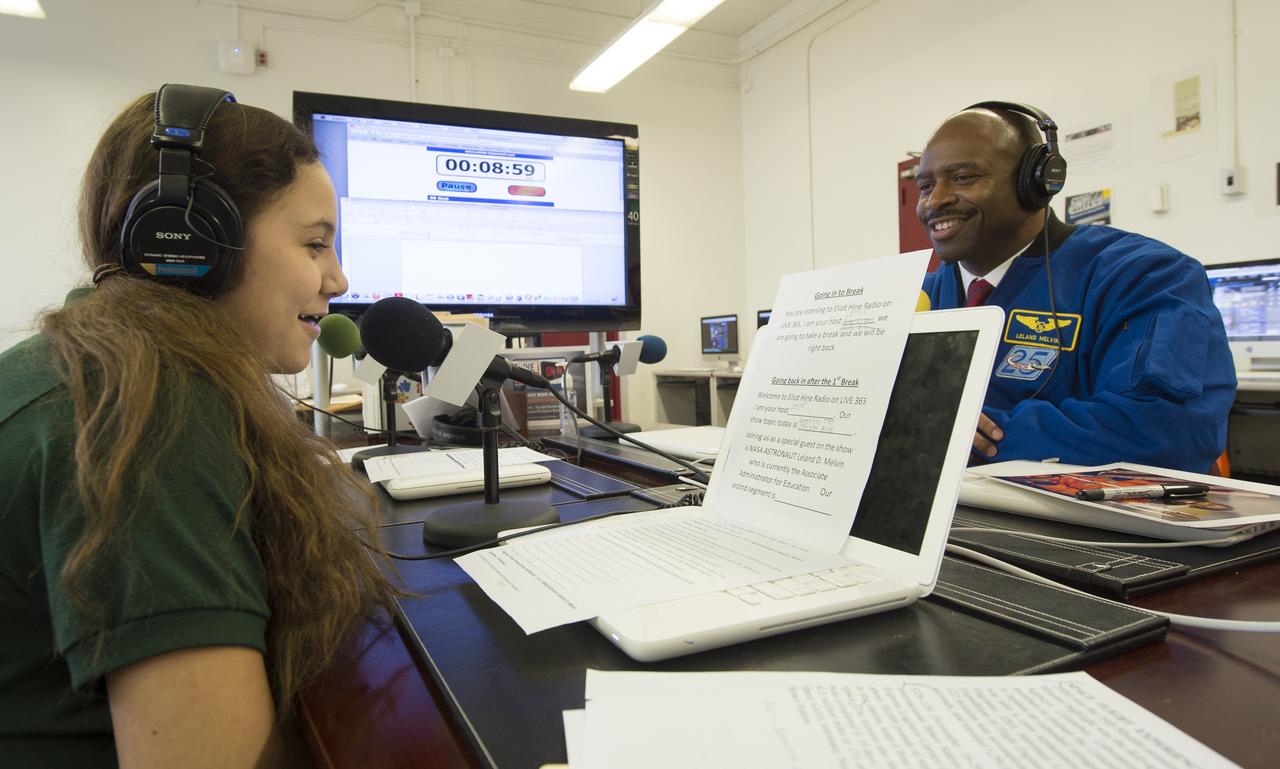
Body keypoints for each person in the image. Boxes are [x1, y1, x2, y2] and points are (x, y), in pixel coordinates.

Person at [0, 85, 399, 768]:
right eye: (314, 243)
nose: (338, 276)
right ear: (191, 240)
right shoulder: (145, 407)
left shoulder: (97, 363)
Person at [916, 102, 1236, 473]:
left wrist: (964, 437)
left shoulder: (1145, 276)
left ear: (1035, 183)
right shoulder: (914, 298)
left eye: (964, 177)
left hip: (1088, 525)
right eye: (926, 185)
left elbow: (1170, 431)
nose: (935, 200)